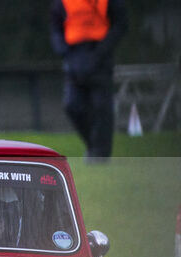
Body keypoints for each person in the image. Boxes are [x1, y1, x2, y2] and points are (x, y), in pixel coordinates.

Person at [50, 0, 128, 162]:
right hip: (74, 56)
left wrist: (100, 52)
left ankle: (101, 154)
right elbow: (56, 28)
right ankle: (93, 146)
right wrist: (66, 53)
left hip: (100, 55)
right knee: (73, 106)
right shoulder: (62, 2)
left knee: (102, 107)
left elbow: (121, 23)